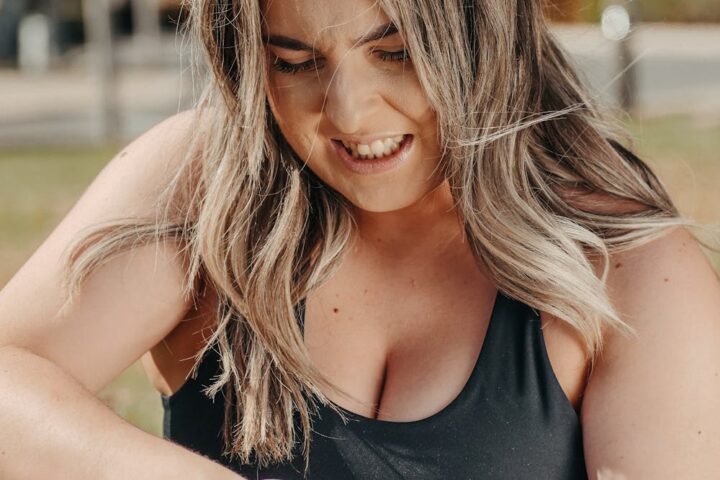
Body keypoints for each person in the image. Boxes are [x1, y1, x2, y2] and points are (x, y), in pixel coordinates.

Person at [1, 0, 719, 479]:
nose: (348, 112)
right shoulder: (205, 185)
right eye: (294, 62)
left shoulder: (626, 262)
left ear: (481, 33)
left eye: (396, 52)